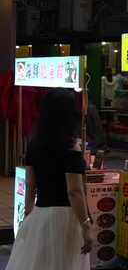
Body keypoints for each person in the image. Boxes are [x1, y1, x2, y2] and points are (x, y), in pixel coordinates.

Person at [6, 88, 93, 270]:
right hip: (67, 217)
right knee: (65, 263)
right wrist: (86, 225)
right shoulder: (71, 148)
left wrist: (28, 216)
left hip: (41, 214)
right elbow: (74, 191)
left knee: (40, 262)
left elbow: (30, 185)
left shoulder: (34, 144)